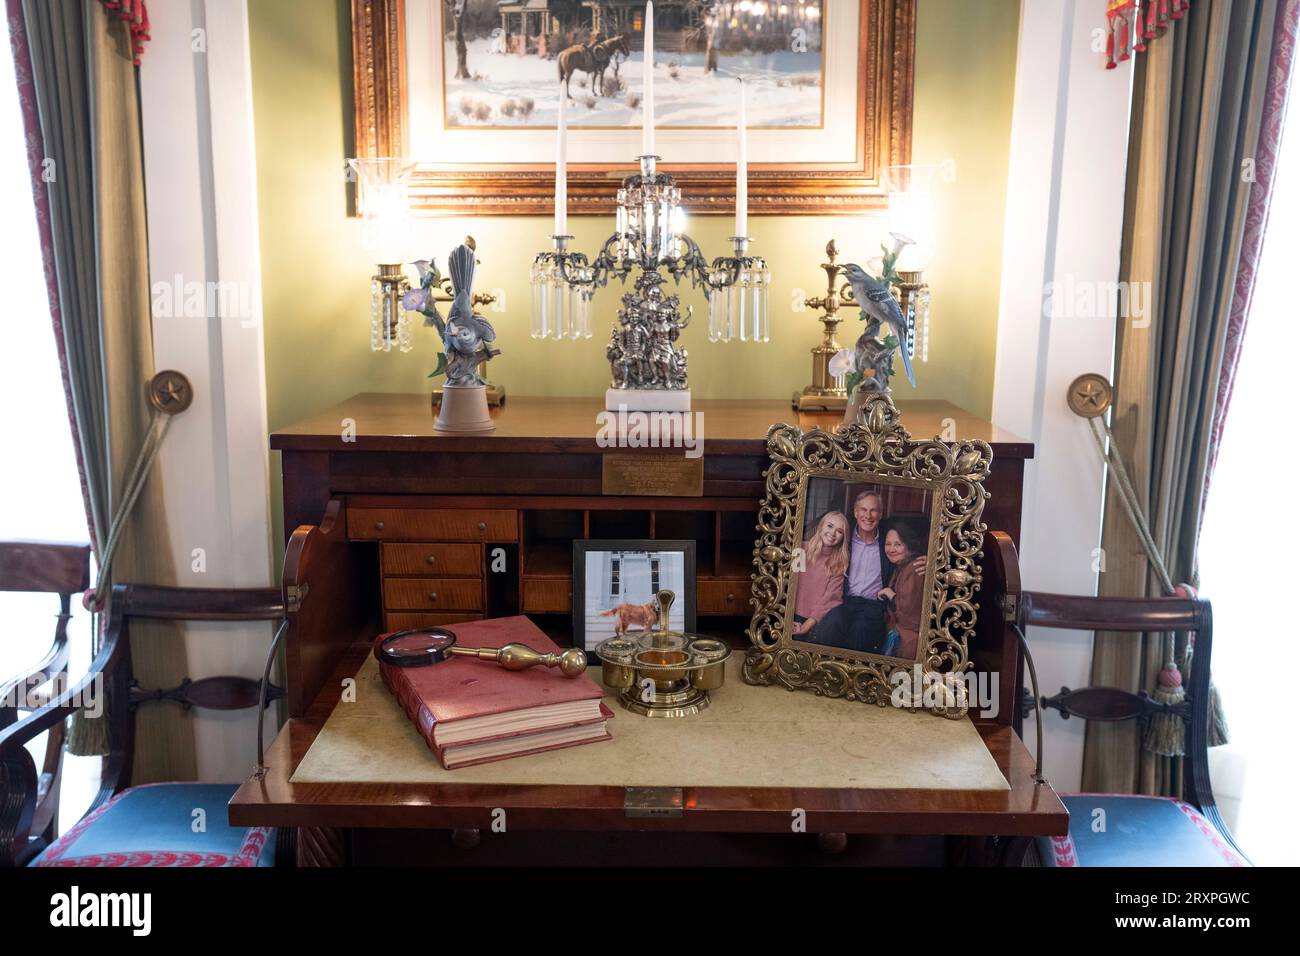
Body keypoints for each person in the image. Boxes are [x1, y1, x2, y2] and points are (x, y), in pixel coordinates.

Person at [811, 489, 926, 653]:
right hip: (844, 600)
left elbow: (909, 550)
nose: (868, 515)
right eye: (863, 510)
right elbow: (821, 542)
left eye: (873, 510)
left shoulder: (888, 540)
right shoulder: (844, 537)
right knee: (829, 627)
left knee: (861, 631)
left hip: (873, 604)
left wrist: (929, 561)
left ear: (880, 514)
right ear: (856, 512)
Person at [791, 511, 849, 637]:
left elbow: (830, 598)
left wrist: (806, 626)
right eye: (829, 526)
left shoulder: (838, 563)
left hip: (815, 620)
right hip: (790, 614)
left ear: (843, 538)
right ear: (821, 526)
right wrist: (787, 618)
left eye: (839, 531)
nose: (833, 533)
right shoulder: (800, 550)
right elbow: (790, 586)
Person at [878, 516, 928, 659]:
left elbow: (908, 616)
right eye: (888, 544)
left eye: (898, 544)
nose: (891, 549)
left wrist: (889, 593)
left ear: (908, 546)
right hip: (899, 635)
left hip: (910, 644)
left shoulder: (916, 568)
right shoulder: (899, 567)